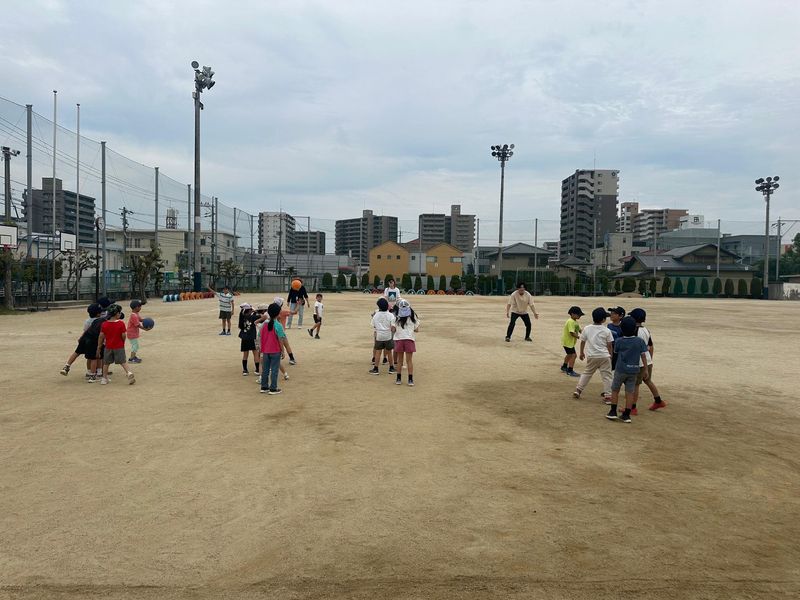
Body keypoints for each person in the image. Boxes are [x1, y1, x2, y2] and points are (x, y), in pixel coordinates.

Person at [606, 316, 649, 423]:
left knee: (615, 390)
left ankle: (613, 412)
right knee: (630, 392)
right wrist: (646, 370)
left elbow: (616, 353)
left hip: (620, 370)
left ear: (621, 329)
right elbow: (644, 356)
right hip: (634, 371)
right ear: (635, 328)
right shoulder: (639, 341)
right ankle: (626, 415)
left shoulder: (619, 341)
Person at [629, 308, 667, 413]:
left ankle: (632, 407)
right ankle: (658, 400)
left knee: (636, 384)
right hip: (647, 360)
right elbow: (650, 346)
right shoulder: (646, 330)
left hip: (639, 362)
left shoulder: (634, 330)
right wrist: (650, 360)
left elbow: (634, 347)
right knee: (648, 380)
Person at [574, 308, 614, 400]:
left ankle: (578, 390)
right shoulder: (606, 330)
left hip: (592, 356)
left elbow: (583, 341)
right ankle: (608, 396)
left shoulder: (587, 328)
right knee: (607, 376)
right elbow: (609, 345)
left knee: (587, 373)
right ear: (603, 319)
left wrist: (581, 352)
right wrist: (610, 355)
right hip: (604, 356)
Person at [60, 303, 103, 380]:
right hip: (93, 341)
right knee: (94, 357)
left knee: (77, 352)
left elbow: (86, 331)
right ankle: (94, 374)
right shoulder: (99, 321)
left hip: (84, 338)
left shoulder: (87, 321)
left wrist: (81, 337)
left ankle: (67, 366)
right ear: (98, 313)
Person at [96, 304, 136, 385]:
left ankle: (104, 378)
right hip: (119, 346)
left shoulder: (105, 324)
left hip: (108, 346)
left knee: (106, 363)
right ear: (117, 313)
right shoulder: (120, 323)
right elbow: (123, 335)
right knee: (123, 361)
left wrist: (99, 346)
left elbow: (101, 336)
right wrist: (123, 341)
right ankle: (128, 372)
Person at [260, 303, 286, 395]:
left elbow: (260, 337)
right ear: (278, 313)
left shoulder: (264, 325)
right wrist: (282, 351)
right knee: (274, 370)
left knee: (265, 370)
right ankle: (273, 388)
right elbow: (280, 339)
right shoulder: (278, 325)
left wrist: (261, 350)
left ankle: (264, 387)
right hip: (275, 351)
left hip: (265, 351)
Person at [393, 299, 419, 386]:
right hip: (409, 339)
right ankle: (410, 379)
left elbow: (393, 329)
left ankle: (398, 379)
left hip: (399, 339)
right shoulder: (413, 316)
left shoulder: (396, 316)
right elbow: (417, 329)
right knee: (409, 361)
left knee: (400, 360)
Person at [369, 297, 396, 375]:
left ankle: (376, 368)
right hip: (388, 335)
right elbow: (393, 327)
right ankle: (391, 368)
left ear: (379, 306)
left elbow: (373, 325)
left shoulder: (376, 315)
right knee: (389, 352)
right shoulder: (390, 315)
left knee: (378, 352)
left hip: (379, 335)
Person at [561, 306, 584, 377]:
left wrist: (585, 334)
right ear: (572, 314)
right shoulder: (570, 322)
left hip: (568, 342)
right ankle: (570, 370)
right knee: (574, 355)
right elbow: (572, 332)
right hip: (568, 342)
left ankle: (564, 367)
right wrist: (579, 337)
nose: (580, 316)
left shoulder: (575, 322)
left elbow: (579, 330)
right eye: (578, 314)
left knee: (569, 354)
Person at [238, 303, 259, 376]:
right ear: (249, 310)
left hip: (244, 337)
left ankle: (245, 370)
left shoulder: (242, 316)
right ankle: (257, 369)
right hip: (252, 337)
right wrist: (254, 311)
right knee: (255, 353)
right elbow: (261, 315)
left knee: (245, 354)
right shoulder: (253, 317)